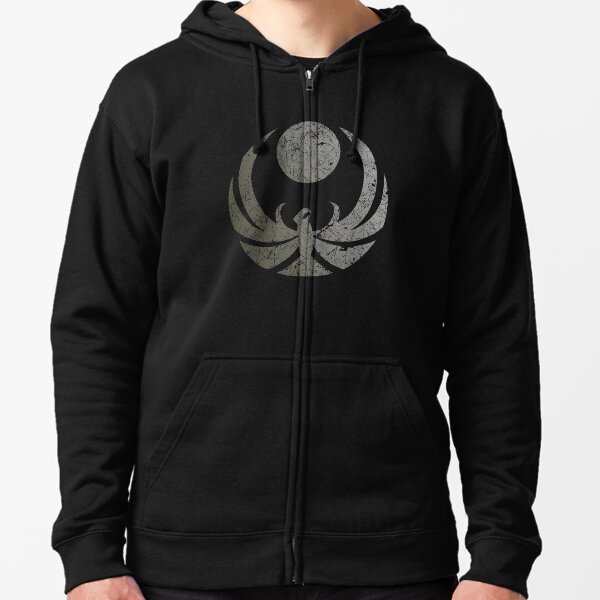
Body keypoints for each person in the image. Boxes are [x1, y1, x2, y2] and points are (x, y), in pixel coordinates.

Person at [51, 1, 542, 599]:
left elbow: (494, 334)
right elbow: (96, 326)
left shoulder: (451, 100)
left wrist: (500, 557)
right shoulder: (154, 92)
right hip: (186, 563)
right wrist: (91, 550)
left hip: (392, 558)